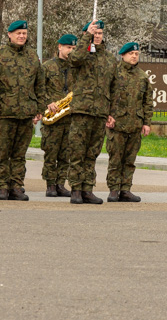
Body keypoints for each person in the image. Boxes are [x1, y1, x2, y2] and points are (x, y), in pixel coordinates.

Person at [0, 20, 45, 201]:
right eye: (18, 33)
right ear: (10, 35)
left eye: (24, 33)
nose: (22, 36)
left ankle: (17, 185)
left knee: (20, 154)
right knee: (3, 152)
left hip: (26, 112)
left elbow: (40, 84)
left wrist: (39, 108)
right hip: (5, 112)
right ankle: (2, 186)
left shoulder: (32, 56)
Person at [65, 20, 116, 205]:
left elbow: (114, 87)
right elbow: (74, 59)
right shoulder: (81, 54)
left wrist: (112, 111)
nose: (97, 36)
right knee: (78, 151)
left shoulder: (110, 59)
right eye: (94, 32)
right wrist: (86, 37)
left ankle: (88, 188)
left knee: (92, 153)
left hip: (100, 111)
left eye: (99, 33)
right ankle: (76, 189)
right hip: (82, 110)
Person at [105, 42, 153, 203]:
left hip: (135, 124)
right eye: (131, 53)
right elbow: (105, 96)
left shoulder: (142, 76)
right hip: (117, 124)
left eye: (136, 54)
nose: (134, 56)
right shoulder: (113, 73)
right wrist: (107, 115)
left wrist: (147, 122)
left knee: (130, 160)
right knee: (115, 159)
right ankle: (113, 189)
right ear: (123, 55)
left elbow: (147, 101)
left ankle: (125, 189)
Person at [41, 34, 76, 197]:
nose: (71, 51)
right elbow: (40, 88)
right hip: (53, 115)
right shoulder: (48, 66)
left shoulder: (77, 68)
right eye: (68, 47)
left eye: (74, 48)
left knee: (66, 153)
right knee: (51, 152)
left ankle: (61, 184)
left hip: (70, 117)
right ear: (59, 47)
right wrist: (48, 102)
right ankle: (50, 185)